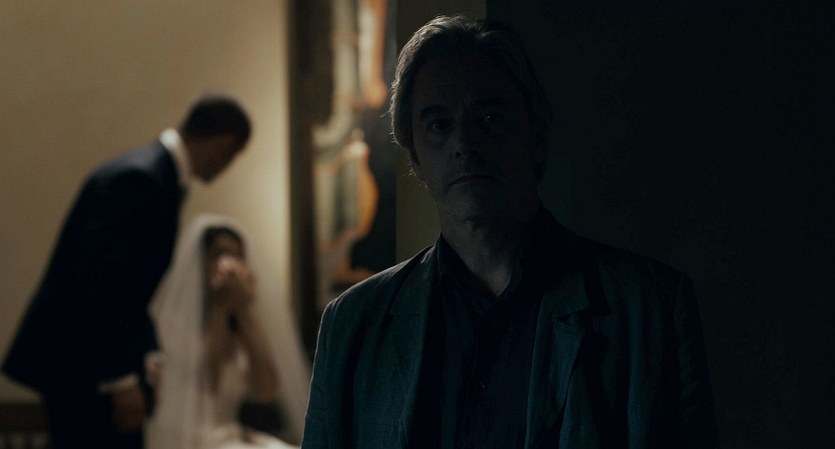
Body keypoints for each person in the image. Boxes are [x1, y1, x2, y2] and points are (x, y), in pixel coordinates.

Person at [301, 15, 718, 449]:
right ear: (416, 158)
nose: (465, 143)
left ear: (536, 138)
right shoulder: (353, 325)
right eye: (439, 125)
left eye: (489, 117)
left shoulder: (648, 310)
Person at [2, 95, 251, 449]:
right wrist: (119, 378)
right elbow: (100, 283)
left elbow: (131, 291)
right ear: (226, 143)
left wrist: (148, 355)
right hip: (84, 365)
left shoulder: (154, 175)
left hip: (91, 361)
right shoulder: (139, 179)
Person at [146, 215, 297, 449]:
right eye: (219, 255)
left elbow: (265, 390)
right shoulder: (172, 322)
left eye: (237, 256)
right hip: (186, 437)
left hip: (229, 434)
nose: (228, 264)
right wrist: (220, 308)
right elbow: (208, 383)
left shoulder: (240, 324)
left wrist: (244, 311)